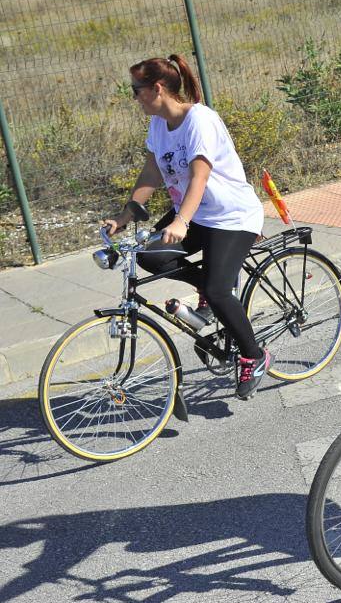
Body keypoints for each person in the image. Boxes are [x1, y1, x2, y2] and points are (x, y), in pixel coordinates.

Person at [101, 55, 271, 400]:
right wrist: (124, 217)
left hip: (231, 216)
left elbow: (200, 175)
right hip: (194, 214)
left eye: (136, 91)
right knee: (151, 257)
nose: (133, 97)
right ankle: (211, 289)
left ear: (157, 89)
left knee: (220, 290)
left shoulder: (200, 120)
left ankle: (254, 355)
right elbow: (152, 174)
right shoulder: (158, 124)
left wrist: (181, 220)